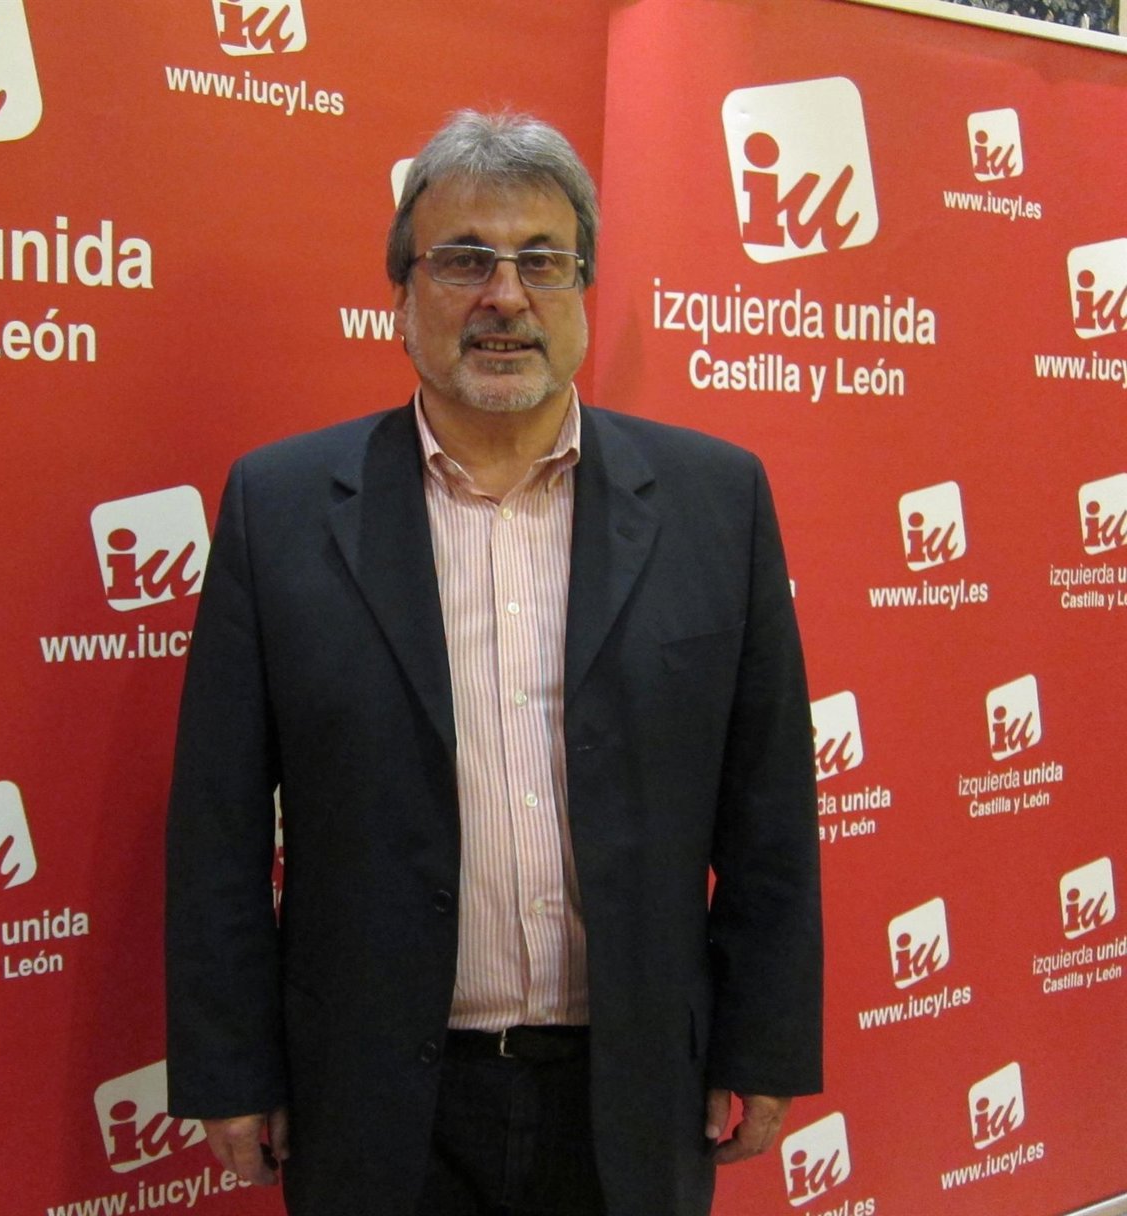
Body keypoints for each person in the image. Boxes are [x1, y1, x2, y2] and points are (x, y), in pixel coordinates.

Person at [165, 110, 822, 1216]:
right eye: (464, 260)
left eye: (542, 261)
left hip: (633, 1090)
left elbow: (768, 811)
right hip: (375, 1096)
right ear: (402, 294)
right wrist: (233, 1066)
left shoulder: (719, 502)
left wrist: (764, 1040)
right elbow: (218, 824)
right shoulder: (279, 509)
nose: (505, 297)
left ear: (584, 289)